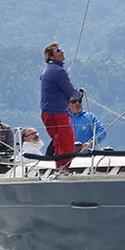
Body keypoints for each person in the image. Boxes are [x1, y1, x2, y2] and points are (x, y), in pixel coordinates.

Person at [40, 42, 83, 170]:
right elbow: (70, 92)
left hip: (47, 113)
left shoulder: (48, 70)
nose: (62, 51)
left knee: (58, 143)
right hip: (58, 114)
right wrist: (79, 94)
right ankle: (64, 170)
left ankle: (60, 168)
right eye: (58, 50)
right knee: (67, 143)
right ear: (51, 57)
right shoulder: (58, 71)